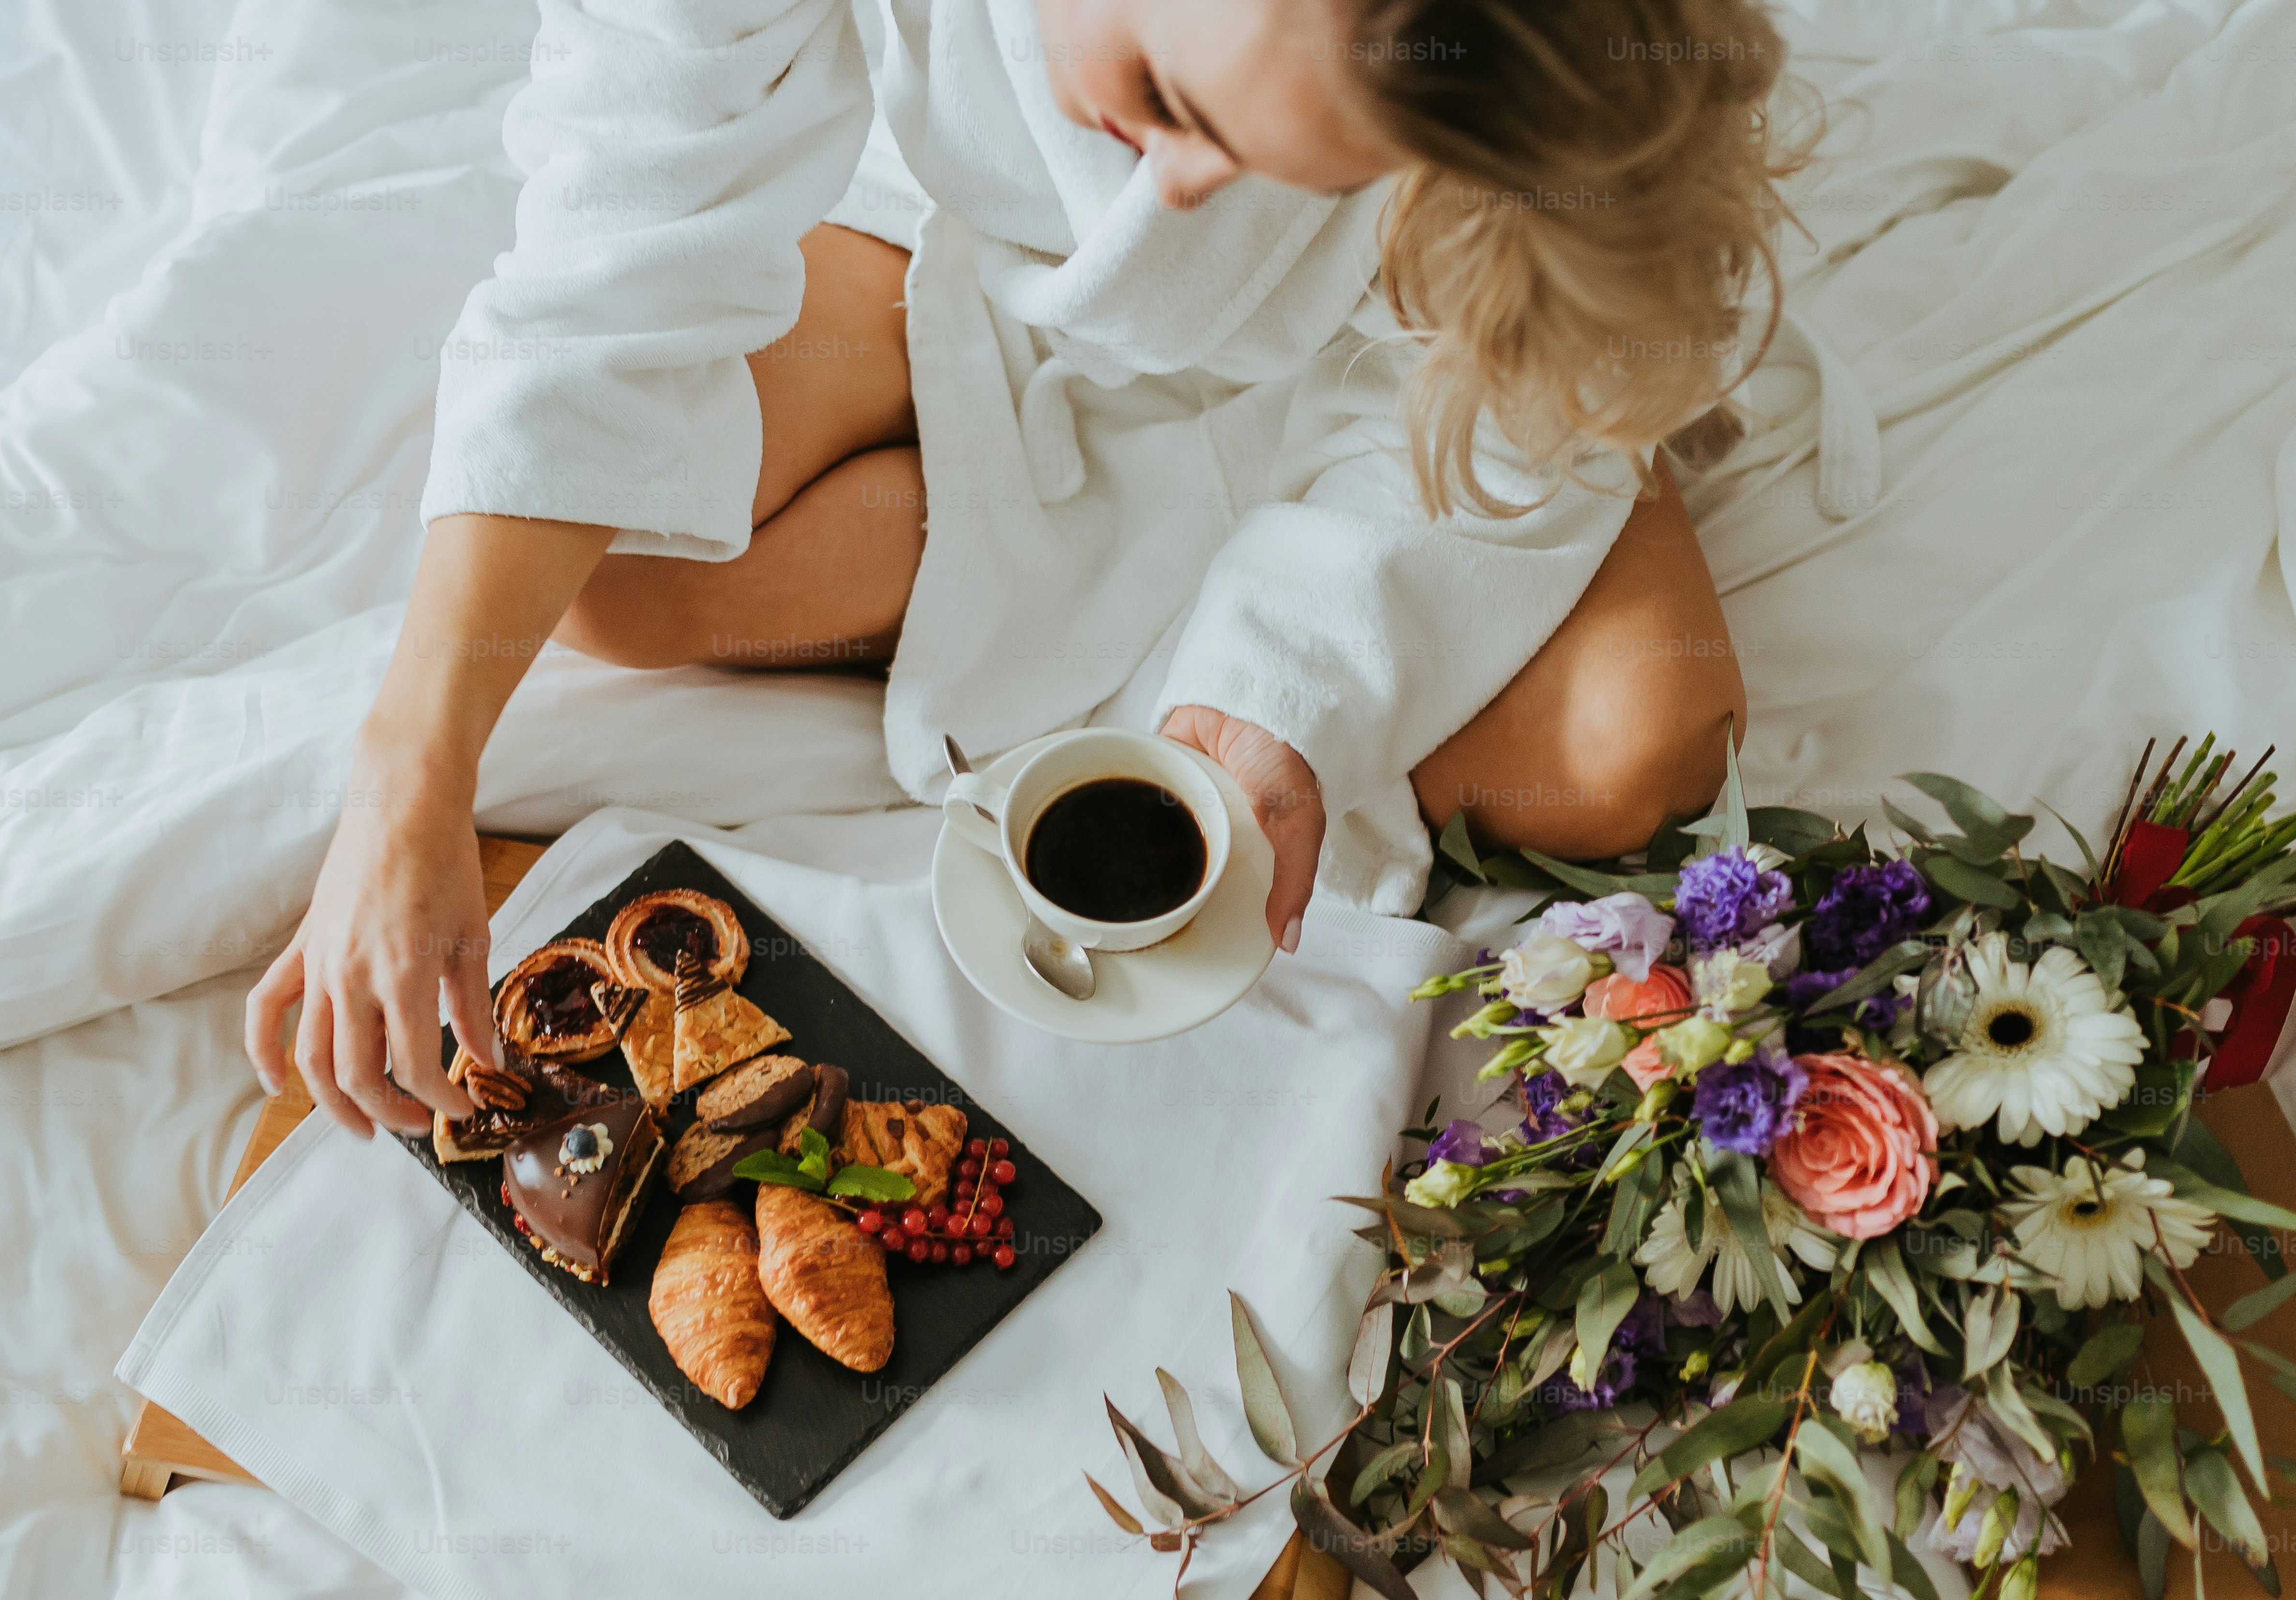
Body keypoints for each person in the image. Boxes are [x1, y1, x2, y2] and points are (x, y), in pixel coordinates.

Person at [250, 0, 1798, 1134]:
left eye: (1279, 164)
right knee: (614, 580)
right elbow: (609, 261)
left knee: (1622, 761)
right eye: (1157, 98)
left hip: (1404, 337)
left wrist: (1284, 695)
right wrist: (413, 771)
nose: (1181, 187)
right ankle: (1020, 530)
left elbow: (1484, 350)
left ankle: (1156, 524)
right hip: (975, 263)